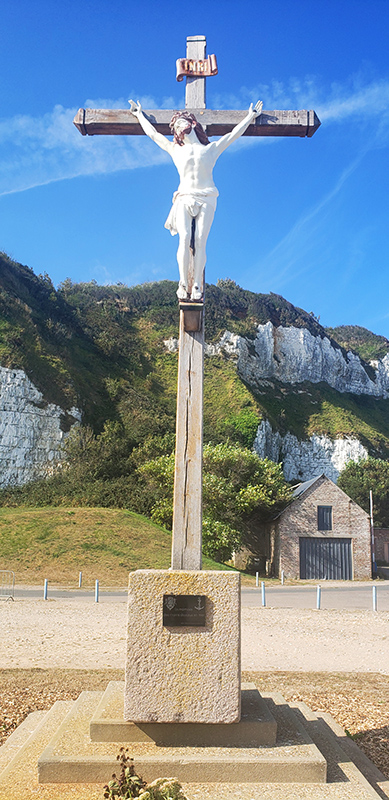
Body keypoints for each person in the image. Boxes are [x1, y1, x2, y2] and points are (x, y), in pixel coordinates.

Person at [129, 99, 262, 301]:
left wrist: (250, 117)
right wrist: (139, 115)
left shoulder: (211, 149)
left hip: (207, 195)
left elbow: (233, 135)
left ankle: (198, 284)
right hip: (184, 196)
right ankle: (183, 283)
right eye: (175, 126)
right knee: (184, 238)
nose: (177, 128)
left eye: (180, 122)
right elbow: (154, 135)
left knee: (200, 240)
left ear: (192, 123)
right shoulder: (176, 150)